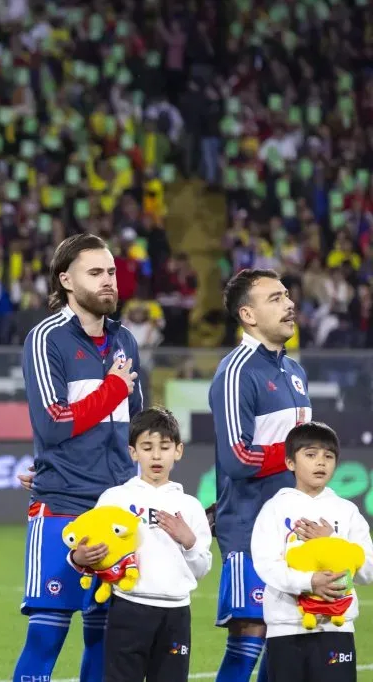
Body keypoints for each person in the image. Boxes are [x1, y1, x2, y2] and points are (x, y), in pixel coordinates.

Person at [14, 233, 143, 682]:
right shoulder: (45, 338)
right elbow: (53, 423)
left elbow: (138, 426)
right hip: (63, 504)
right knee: (47, 634)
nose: (108, 281)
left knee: (105, 638)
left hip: (117, 507)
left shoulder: (125, 339)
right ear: (66, 280)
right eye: (96, 273)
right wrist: (112, 389)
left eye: (111, 272)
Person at [209, 269, 312, 682]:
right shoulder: (236, 371)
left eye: (287, 294)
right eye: (275, 298)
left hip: (294, 533)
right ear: (248, 314)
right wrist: (296, 456)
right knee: (250, 637)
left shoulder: (295, 373)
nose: (289, 303)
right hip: (250, 527)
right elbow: (237, 457)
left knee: (287, 643)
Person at [70, 408, 211, 682]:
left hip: (176, 615)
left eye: (164, 447)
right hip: (128, 609)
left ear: (178, 451)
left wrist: (190, 542)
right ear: (133, 452)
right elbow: (85, 550)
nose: (156, 456)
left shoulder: (190, 506)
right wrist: (80, 558)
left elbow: (202, 568)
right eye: (147, 447)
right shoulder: (115, 498)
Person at [251, 422, 373, 682]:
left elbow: (367, 571)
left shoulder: (347, 511)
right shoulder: (274, 508)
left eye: (328, 456)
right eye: (310, 454)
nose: (321, 462)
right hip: (286, 629)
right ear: (290, 462)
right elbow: (266, 565)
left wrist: (332, 542)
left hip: (337, 629)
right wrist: (309, 582)